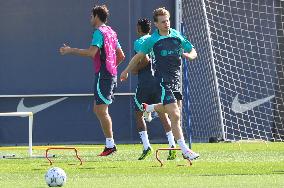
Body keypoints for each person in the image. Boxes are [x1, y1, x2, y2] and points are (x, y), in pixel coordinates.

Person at [120, 7, 199, 160]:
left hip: (177, 80)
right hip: (162, 81)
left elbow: (192, 50)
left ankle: (149, 107)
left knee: (176, 116)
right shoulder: (152, 40)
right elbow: (138, 58)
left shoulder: (177, 35)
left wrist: (190, 56)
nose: (166, 24)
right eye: (162, 22)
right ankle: (185, 150)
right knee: (174, 114)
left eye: (168, 20)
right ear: (156, 24)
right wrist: (126, 71)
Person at [60, 5, 125, 156]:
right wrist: (112, 68)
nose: (90, 19)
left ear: (96, 16)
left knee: (102, 110)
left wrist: (70, 50)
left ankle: (110, 145)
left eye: (91, 16)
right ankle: (110, 144)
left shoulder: (99, 32)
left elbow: (91, 53)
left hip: (103, 76)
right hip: (109, 75)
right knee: (98, 109)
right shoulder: (112, 32)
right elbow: (121, 56)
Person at [131, 18, 177, 160]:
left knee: (138, 114)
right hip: (158, 81)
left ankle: (146, 146)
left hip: (146, 82)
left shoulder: (139, 41)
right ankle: (172, 146)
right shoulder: (156, 39)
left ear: (139, 28)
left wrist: (135, 69)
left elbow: (145, 60)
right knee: (163, 113)